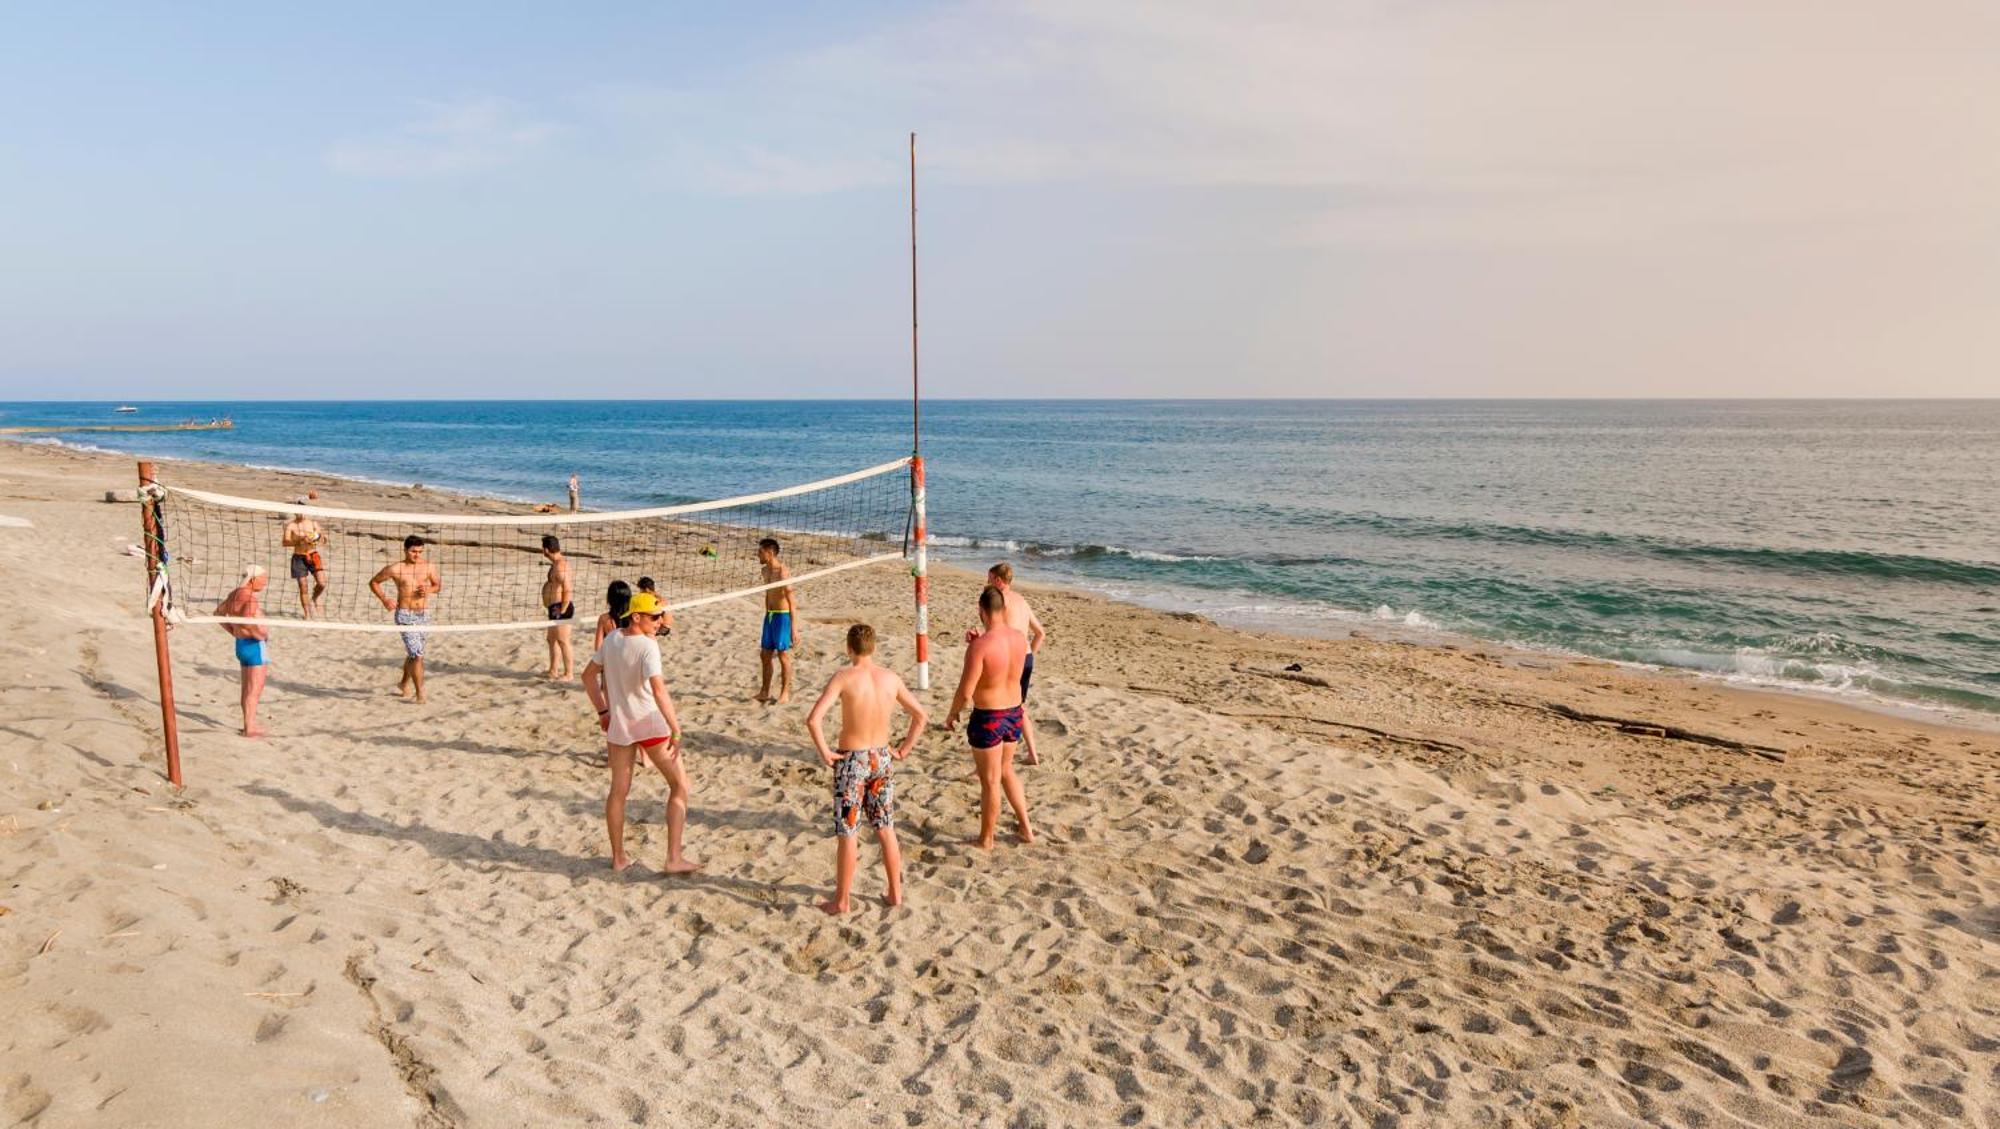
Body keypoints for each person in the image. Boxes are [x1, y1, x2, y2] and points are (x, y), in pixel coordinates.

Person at [804, 623, 928, 914]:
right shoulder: (890, 678)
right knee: (885, 827)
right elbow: (920, 716)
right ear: (873, 648)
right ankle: (895, 893)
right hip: (881, 758)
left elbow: (813, 720)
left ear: (849, 649)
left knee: (848, 831)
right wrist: (905, 748)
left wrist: (824, 751)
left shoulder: (844, 677)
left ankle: (842, 900)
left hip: (851, 761)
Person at [581, 592, 700, 874]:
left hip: (620, 725)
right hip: (650, 724)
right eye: (655, 616)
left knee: (618, 792)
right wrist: (676, 729)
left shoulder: (612, 639)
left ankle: (619, 858)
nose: (660, 621)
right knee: (680, 786)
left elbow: (587, 677)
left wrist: (603, 712)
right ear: (637, 616)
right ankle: (673, 858)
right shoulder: (648, 647)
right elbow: (659, 690)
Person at [944, 586, 1035, 848]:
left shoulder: (980, 647)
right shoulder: (1019, 638)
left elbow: (965, 691)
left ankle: (986, 839)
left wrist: (952, 714)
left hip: (989, 717)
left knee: (991, 781)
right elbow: (1005, 666)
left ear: (981, 611)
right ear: (1003, 610)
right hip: (1014, 713)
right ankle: (1026, 829)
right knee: (1007, 771)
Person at [969, 562, 1049, 764]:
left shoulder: (999, 602)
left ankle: (991, 761)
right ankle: (1032, 753)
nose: (986, 583)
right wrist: (1029, 654)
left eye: (988, 579)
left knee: (1004, 707)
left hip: (1009, 656)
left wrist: (979, 641)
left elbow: (996, 636)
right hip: (1025, 656)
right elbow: (1040, 633)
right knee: (1018, 706)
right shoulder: (1021, 599)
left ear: (997, 580)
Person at [368, 535, 441, 704]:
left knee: (414, 654)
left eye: (420, 551)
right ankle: (420, 692)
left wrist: (429, 590)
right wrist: (385, 599)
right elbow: (373, 582)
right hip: (405, 615)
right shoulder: (396, 568)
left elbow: (438, 585)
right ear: (405, 550)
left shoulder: (429, 566)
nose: (417, 555)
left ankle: (403, 683)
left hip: (423, 615)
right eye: (413, 551)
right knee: (418, 655)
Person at [214, 564, 270, 737]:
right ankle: (250, 728)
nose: (265, 583)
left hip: (241, 644)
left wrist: (233, 631)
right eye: (264, 579)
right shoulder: (250, 599)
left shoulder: (234, 594)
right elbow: (247, 621)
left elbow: (217, 614)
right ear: (253, 580)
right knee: (254, 691)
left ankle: (248, 724)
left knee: (246, 689)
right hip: (254, 646)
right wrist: (259, 634)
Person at [755, 538, 797, 704]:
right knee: (765, 655)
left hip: (783, 617)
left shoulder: (783, 573)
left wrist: (794, 628)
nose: (758, 554)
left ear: (770, 553)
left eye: (760, 552)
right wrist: (767, 615)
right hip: (770, 616)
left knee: (783, 655)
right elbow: (767, 594)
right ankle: (764, 691)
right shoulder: (765, 571)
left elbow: (792, 601)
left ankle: (784, 693)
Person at [281, 504, 327, 620]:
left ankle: (315, 598)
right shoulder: (291, 525)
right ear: (294, 512)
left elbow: (323, 539)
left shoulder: (313, 523)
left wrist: (317, 538)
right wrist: (299, 541)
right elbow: (285, 542)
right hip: (298, 557)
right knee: (303, 586)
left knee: (322, 583)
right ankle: (307, 613)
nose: (300, 514)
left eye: (302, 511)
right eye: (298, 512)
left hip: (313, 555)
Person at [540, 534, 575, 680]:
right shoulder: (555, 564)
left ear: (547, 550)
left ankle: (569, 673)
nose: (542, 551)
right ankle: (553, 670)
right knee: (552, 640)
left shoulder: (560, 567)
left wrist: (563, 609)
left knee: (563, 641)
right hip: (554, 607)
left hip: (561, 607)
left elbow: (568, 589)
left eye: (542, 548)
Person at [593, 579, 632, 651]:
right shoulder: (635, 617)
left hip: (612, 658)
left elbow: (598, 648)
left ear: (609, 599)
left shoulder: (604, 619)